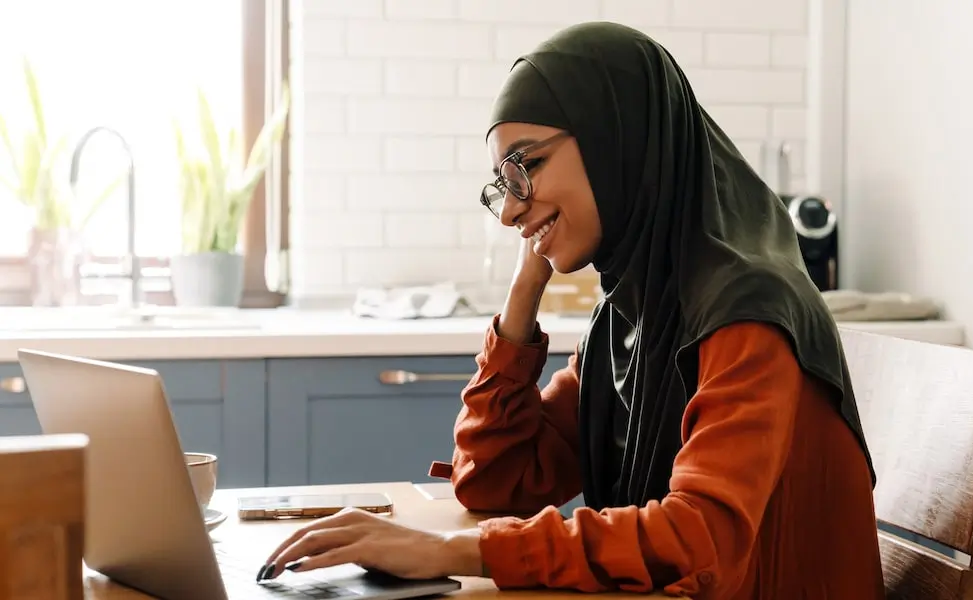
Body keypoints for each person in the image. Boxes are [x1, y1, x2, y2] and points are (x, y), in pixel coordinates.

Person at [260, 22, 885, 599]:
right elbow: (497, 482)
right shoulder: (629, 318)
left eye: (525, 168)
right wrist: (522, 293)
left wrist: (451, 550)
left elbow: (699, 535)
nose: (509, 210)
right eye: (502, 187)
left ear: (621, 144)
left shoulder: (747, 312)